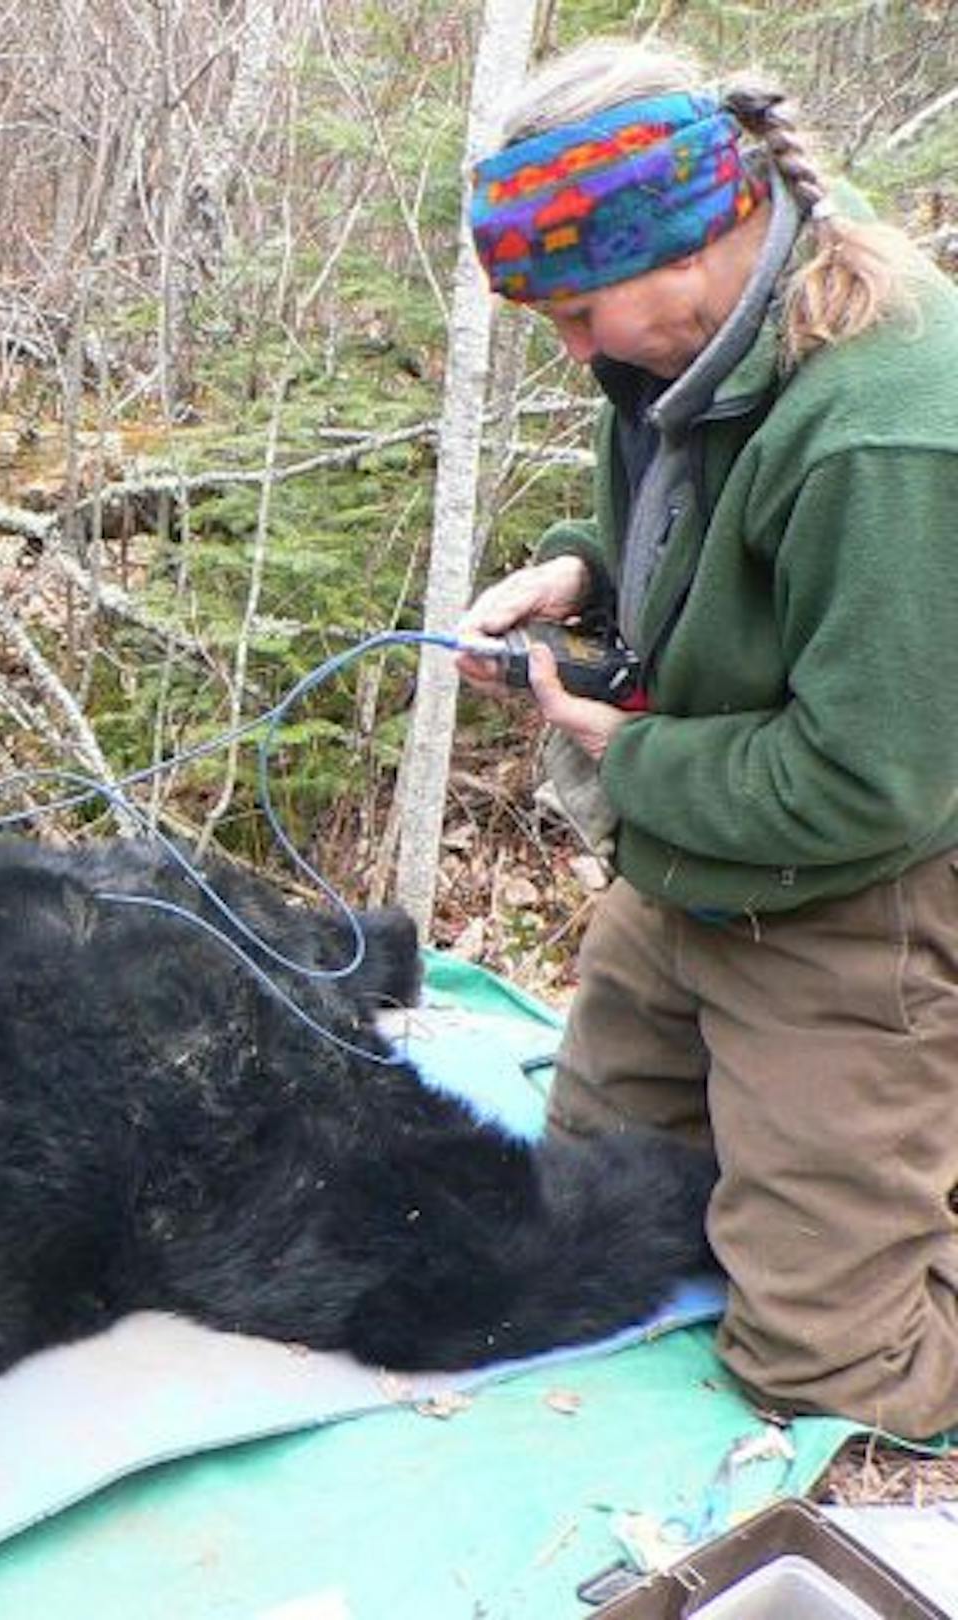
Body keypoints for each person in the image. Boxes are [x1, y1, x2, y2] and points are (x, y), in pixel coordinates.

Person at [454, 38, 958, 1441]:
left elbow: (872, 781)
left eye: (577, 308)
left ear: (688, 237)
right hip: (691, 867)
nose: (572, 348)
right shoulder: (693, 347)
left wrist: (622, 756)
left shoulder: (892, 426)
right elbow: (706, 546)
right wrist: (581, 576)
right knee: (594, 1226)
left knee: (827, 1367)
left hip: (861, 895)